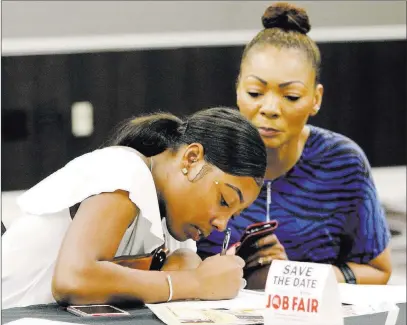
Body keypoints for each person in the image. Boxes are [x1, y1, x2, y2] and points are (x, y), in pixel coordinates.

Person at [197, 2, 392, 287]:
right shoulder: (202, 156)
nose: (270, 108)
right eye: (255, 92)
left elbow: (378, 270)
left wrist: (294, 276)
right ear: (238, 89)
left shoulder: (343, 163)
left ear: (316, 98)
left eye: (290, 96)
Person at [2, 107, 267, 309]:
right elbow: (73, 281)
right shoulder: (125, 170)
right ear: (192, 158)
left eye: (233, 215)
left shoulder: (173, 223)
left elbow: (164, 284)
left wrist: (182, 266)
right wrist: (196, 282)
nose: (222, 224)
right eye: (223, 201)